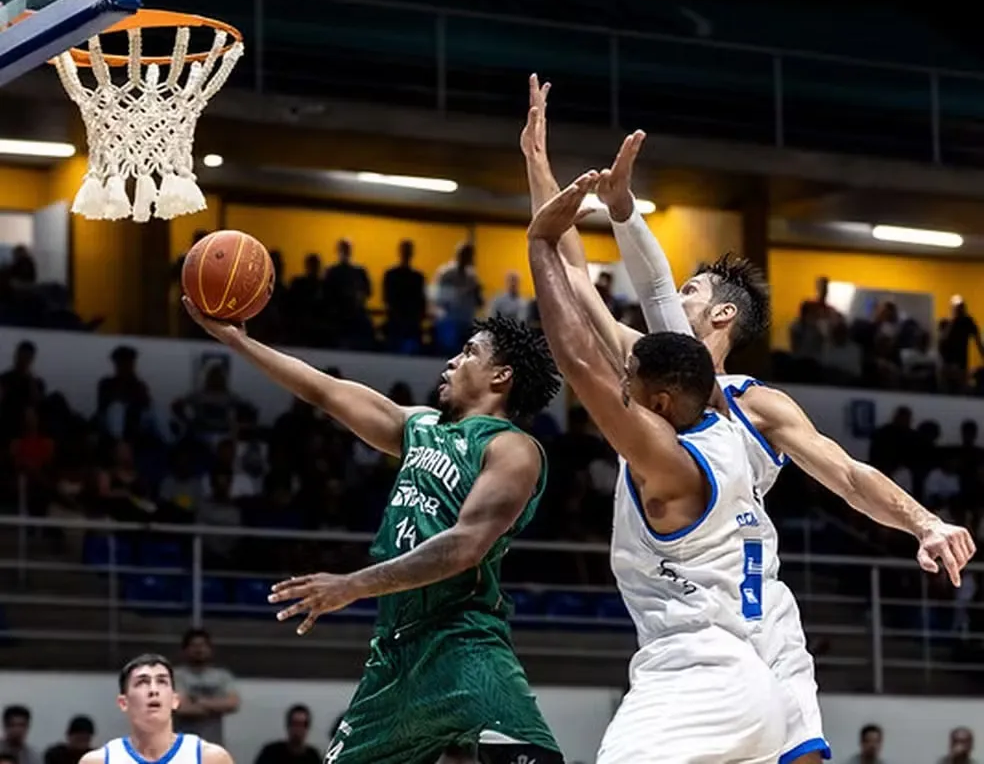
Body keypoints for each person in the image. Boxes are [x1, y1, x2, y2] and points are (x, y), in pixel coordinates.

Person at [520, 73, 977, 764]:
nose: (675, 293)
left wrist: (925, 521)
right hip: (710, 615)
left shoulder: (750, 400)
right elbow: (576, 276)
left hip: (747, 628)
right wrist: (537, 162)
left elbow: (848, 475)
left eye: (692, 289)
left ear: (723, 314)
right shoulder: (655, 364)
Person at [183, 297, 564, 764]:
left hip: (462, 640)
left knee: (531, 758)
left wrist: (352, 585)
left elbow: (466, 545)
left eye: (468, 352)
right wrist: (238, 341)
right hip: (395, 652)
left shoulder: (512, 449)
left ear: (501, 376)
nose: (452, 360)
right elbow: (323, 390)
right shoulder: (418, 426)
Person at [527, 172, 784, 764]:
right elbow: (627, 297)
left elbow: (578, 360)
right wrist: (540, 169)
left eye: (630, 381)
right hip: (749, 682)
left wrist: (538, 243)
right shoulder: (718, 417)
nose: (623, 381)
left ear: (660, 403)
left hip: (698, 679)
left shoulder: (666, 458)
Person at [77, 653, 234, 764]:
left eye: (162, 682)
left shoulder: (211, 758)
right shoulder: (99, 761)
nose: (153, 690)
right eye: (142, 682)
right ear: (123, 703)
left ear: (175, 700)